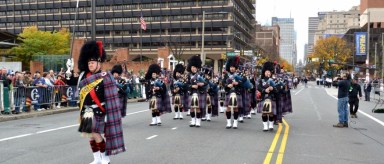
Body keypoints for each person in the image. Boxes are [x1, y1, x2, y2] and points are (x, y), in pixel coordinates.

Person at [70, 40, 125, 164]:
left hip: (99, 110)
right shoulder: (84, 76)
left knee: (95, 133)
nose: (90, 64)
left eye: (93, 62)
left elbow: (111, 96)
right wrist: (69, 74)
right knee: (90, 135)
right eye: (89, 62)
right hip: (87, 110)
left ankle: (105, 158)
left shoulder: (105, 76)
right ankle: (97, 158)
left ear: (99, 63)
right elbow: (75, 86)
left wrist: (109, 113)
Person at [222, 56, 243, 129]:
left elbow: (243, 83)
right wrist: (227, 85)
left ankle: (235, 122)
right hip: (229, 92)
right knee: (228, 108)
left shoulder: (239, 75)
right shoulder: (226, 75)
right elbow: (223, 83)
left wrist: (237, 83)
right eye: (231, 67)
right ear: (229, 67)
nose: (232, 68)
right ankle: (228, 123)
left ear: (236, 67)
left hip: (237, 92)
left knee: (236, 108)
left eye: (233, 67)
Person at [257, 61, 277, 131]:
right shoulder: (261, 80)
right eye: (266, 72)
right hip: (263, 97)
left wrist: (273, 88)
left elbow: (277, 90)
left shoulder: (274, 80)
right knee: (264, 113)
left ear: (271, 73)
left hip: (271, 98)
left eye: (269, 72)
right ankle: (265, 126)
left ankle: (271, 124)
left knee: (271, 112)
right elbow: (258, 87)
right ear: (264, 72)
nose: (267, 73)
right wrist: (264, 90)